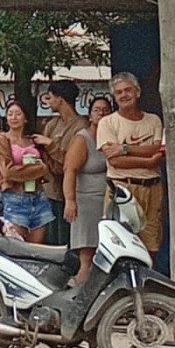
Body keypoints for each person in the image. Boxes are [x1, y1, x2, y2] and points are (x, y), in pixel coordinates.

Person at [97, 73, 165, 253]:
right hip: (122, 188)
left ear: (138, 92)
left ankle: (144, 281)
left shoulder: (154, 120)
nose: (124, 95)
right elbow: (115, 161)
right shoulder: (107, 123)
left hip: (152, 189)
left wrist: (124, 148)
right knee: (120, 245)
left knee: (151, 245)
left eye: (128, 90)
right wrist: (149, 162)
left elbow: (157, 149)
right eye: (118, 92)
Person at [0, 101, 54, 243]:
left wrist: (51, 145)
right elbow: (8, 172)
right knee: (17, 247)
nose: (14, 117)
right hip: (15, 197)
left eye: (18, 114)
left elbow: (50, 168)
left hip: (38, 196)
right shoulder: (2, 140)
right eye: (10, 114)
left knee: (36, 249)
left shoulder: (34, 140)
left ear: (25, 118)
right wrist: (39, 169)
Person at [61, 103, 108, 284]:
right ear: (89, 116)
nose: (101, 113)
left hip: (107, 202)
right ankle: (78, 292)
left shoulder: (111, 137)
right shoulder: (82, 139)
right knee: (87, 258)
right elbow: (69, 170)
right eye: (97, 110)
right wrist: (70, 200)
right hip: (87, 202)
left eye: (105, 110)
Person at [42, 82, 88, 240]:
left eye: (51, 98)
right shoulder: (51, 124)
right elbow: (43, 157)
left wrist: (51, 146)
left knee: (67, 239)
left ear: (60, 99)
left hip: (70, 194)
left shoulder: (81, 126)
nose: (48, 102)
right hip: (49, 192)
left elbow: (72, 163)